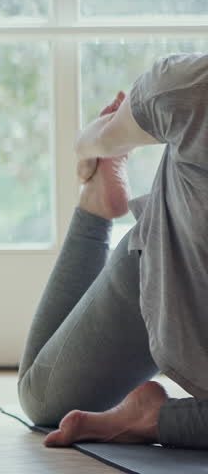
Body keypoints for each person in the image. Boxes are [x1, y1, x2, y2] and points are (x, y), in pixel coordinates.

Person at [18, 54, 208, 449]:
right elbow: (95, 140)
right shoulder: (185, 87)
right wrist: (93, 146)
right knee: (43, 398)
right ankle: (96, 204)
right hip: (173, 274)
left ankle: (154, 420)